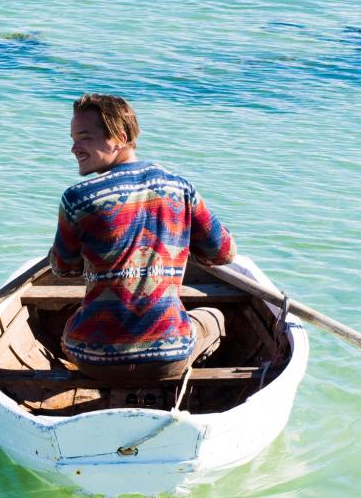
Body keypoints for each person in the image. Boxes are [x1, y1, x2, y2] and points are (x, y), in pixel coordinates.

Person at [47, 93, 237, 387]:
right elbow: (223, 253)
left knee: (69, 323)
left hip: (95, 363)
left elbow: (62, 269)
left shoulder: (78, 199)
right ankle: (188, 383)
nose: (73, 148)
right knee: (213, 317)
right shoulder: (181, 189)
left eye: (84, 138)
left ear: (120, 137)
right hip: (169, 358)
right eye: (73, 139)